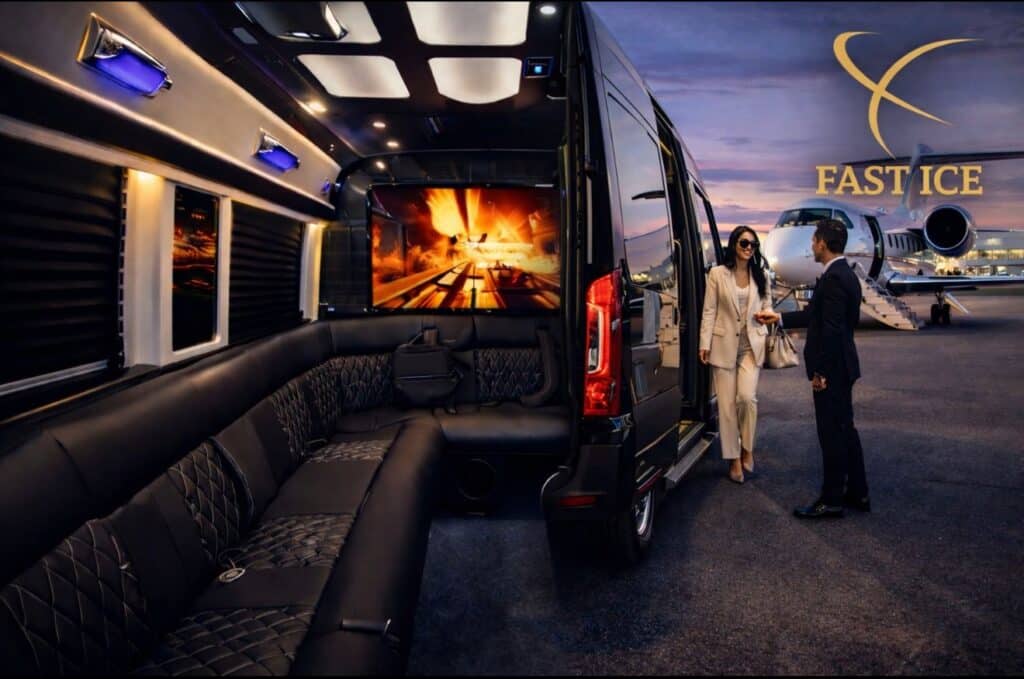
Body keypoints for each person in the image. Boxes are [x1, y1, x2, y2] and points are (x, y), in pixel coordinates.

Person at [755, 219, 870, 519]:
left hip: (833, 369)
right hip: (844, 364)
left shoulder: (833, 279)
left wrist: (821, 372)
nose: (812, 245)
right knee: (845, 429)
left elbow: (831, 331)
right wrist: (779, 318)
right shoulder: (846, 275)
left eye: (814, 240)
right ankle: (858, 492)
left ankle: (831, 499)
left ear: (823, 243)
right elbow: (820, 317)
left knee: (831, 434)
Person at [699, 226, 773, 484]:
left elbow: (768, 305)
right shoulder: (717, 274)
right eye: (744, 243)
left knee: (746, 398)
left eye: (753, 244)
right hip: (723, 344)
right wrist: (704, 343)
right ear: (734, 244)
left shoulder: (762, 275)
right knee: (727, 406)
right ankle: (733, 459)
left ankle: (747, 448)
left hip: (751, 345)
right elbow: (709, 310)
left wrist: (767, 315)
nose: (749, 248)